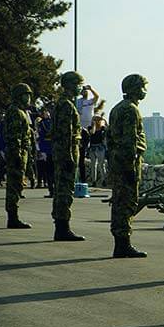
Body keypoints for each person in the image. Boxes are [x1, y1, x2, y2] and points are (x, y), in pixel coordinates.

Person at [107, 74, 149, 258]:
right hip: (127, 162)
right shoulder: (131, 110)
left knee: (119, 201)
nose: (144, 91)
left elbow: (110, 139)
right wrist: (131, 167)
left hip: (117, 161)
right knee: (126, 202)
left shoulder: (117, 109)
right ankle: (123, 244)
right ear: (133, 88)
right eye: (141, 87)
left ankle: (121, 243)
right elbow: (130, 141)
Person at [51, 71, 87, 241]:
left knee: (61, 191)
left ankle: (61, 227)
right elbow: (66, 133)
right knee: (65, 192)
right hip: (66, 154)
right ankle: (62, 228)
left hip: (63, 153)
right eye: (78, 84)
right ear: (70, 84)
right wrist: (68, 157)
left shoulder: (64, 103)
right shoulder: (66, 105)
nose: (80, 87)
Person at [4, 84, 34, 229]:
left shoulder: (20, 111)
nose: (28, 98)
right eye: (25, 95)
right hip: (17, 153)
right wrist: (17, 155)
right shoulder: (16, 112)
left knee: (17, 185)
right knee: (14, 186)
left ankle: (13, 216)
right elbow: (15, 136)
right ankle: (13, 218)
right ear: (18, 96)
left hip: (21, 153)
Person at [87, 115, 108, 186]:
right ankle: (94, 181)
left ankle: (104, 179)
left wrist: (103, 120)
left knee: (101, 165)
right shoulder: (90, 127)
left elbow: (107, 129)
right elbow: (92, 132)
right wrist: (94, 125)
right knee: (93, 165)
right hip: (93, 148)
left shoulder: (102, 128)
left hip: (100, 147)